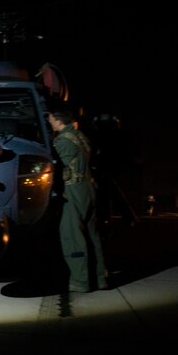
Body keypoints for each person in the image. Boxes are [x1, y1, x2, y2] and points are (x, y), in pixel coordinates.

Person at [47, 103, 108, 293]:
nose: (49, 122)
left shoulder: (63, 141)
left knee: (72, 234)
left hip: (73, 190)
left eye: (50, 120)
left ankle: (80, 281)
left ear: (58, 121)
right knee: (93, 235)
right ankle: (100, 279)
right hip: (89, 188)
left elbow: (57, 166)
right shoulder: (81, 137)